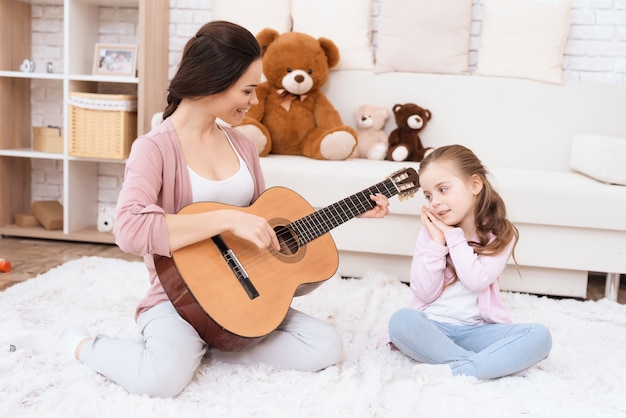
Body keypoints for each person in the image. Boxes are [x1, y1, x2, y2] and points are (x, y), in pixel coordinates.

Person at [7, 21, 390, 397]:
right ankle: (76, 343)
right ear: (214, 83)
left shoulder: (242, 145)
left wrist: (348, 211)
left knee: (325, 346)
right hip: (180, 300)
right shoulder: (154, 147)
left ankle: (215, 345)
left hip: (245, 300)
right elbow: (129, 229)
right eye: (248, 90)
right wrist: (226, 218)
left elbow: (265, 220)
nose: (255, 101)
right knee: (158, 380)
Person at [381, 144, 552, 380]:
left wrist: (453, 237)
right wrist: (437, 244)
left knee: (539, 336)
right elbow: (424, 292)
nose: (435, 202)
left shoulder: (501, 233)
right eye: (428, 195)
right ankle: (478, 365)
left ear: (475, 184)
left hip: (476, 332)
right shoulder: (430, 233)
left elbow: (475, 280)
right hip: (431, 327)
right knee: (400, 320)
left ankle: (455, 368)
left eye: (443, 189)